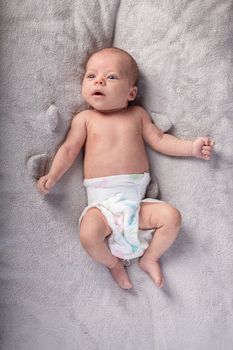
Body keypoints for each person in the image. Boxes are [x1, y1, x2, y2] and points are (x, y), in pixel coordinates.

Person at [37, 47, 214, 290]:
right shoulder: (85, 119)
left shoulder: (138, 115)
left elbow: (161, 141)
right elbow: (68, 150)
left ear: (131, 93)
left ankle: (150, 258)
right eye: (91, 76)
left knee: (172, 218)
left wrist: (191, 148)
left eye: (111, 77)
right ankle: (113, 264)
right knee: (89, 235)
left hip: (135, 204)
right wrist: (53, 175)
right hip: (102, 206)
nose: (99, 80)